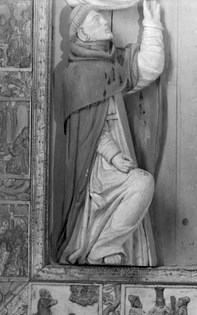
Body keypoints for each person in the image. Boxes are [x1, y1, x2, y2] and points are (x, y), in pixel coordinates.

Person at [55, 1, 164, 266]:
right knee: (141, 184)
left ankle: (105, 245)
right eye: (96, 20)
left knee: (142, 185)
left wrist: (152, 24)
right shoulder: (76, 74)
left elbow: (149, 68)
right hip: (94, 167)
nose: (105, 21)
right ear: (83, 33)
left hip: (116, 159)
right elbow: (88, 130)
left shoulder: (113, 65)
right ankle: (96, 246)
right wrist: (113, 155)